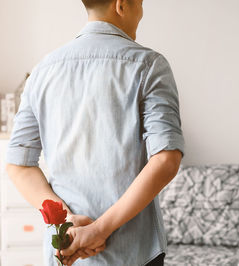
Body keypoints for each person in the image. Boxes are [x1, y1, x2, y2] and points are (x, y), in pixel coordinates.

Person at [5, 0, 184, 265]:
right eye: (141, 4)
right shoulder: (148, 65)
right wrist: (99, 231)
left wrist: (66, 221)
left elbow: (18, 165)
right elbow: (166, 159)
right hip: (134, 252)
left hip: (66, 251)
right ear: (122, 5)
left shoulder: (41, 72)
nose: (142, 13)